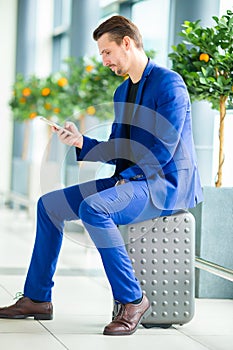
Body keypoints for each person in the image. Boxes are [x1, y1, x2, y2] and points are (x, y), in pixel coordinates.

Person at [0, 15, 203, 336]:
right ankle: (38, 298)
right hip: (132, 178)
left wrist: (130, 176)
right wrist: (81, 141)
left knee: (94, 208)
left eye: (107, 52)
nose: (104, 60)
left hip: (165, 184)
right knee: (49, 204)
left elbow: (165, 146)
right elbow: (118, 148)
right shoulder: (122, 92)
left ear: (127, 43)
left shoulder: (169, 83)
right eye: (101, 54)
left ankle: (132, 299)